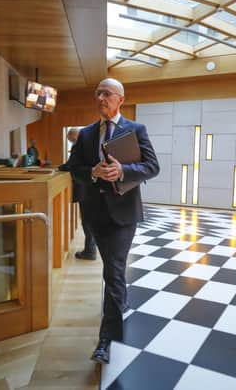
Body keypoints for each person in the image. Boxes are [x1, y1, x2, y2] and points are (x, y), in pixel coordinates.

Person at [67, 78, 159, 364]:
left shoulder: (135, 130)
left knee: (114, 270)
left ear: (120, 99)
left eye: (106, 93)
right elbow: (73, 168)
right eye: (98, 93)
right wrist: (92, 172)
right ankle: (120, 301)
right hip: (95, 214)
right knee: (112, 268)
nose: (100, 98)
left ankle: (105, 341)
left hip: (124, 214)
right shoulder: (86, 134)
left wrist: (123, 171)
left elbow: (151, 166)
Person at [59, 128, 97, 260]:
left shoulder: (80, 146)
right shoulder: (89, 145)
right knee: (89, 219)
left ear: (76, 137)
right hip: (90, 187)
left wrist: (59, 168)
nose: (71, 142)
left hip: (84, 188)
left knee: (87, 220)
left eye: (71, 139)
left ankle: (90, 250)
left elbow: (71, 165)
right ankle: (91, 248)